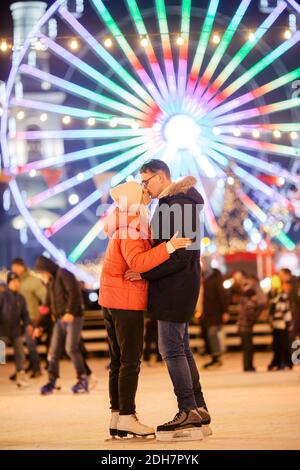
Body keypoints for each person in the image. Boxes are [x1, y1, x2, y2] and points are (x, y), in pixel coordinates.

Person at [125, 160, 211, 442]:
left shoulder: (179, 203)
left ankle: (187, 410)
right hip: (178, 285)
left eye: (146, 181)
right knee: (181, 348)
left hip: (176, 287)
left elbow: (180, 253)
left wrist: (145, 271)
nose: (144, 188)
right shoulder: (177, 203)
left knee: (171, 348)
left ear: (161, 177)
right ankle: (198, 409)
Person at [99, 180, 192, 439]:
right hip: (125, 301)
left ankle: (117, 416)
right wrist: (169, 246)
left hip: (113, 299)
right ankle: (128, 416)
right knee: (130, 361)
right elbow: (138, 261)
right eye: (143, 196)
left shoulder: (121, 224)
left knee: (118, 362)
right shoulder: (130, 228)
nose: (148, 198)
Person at [34, 256, 89, 394]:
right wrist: (39, 326)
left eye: (42, 272)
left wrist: (70, 311)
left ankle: (82, 379)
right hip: (59, 319)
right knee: (53, 352)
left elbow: (74, 292)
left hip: (74, 317)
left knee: (71, 348)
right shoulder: (50, 281)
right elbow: (47, 305)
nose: (42, 275)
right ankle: (52, 380)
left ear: (47, 268)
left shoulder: (63, 273)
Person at [11, 258, 46, 377]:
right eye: (13, 267)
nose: (14, 269)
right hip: (15, 320)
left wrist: (40, 316)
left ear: (22, 266)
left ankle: (36, 369)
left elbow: (45, 297)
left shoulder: (33, 281)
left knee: (30, 345)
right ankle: (22, 369)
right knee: (19, 346)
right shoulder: (14, 281)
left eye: (16, 267)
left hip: (31, 319)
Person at [0, 272, 32, 387]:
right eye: (13, 281)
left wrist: (29, 324)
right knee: (0, 356)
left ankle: (20, 375)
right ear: (8, 283)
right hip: (2, 332)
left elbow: (25, 314)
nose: (16, 284)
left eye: (18, 281)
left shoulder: (21, 298)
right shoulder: (2, 296)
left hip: (16, 332)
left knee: (20, 354)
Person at [198, 259, 228, 369]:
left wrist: (225, 311)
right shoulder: (202, 278)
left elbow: (222, 295)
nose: (202, 265)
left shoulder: (215, 278)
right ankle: (213, 357)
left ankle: (217, 358)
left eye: (204, 263)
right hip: (205, 313)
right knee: (206, 335)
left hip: (215, 312)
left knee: (212, 334)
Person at [238, 275, 267, 372]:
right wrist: (259, 313)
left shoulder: (246, 302)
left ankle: (248, 366)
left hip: (244, 328)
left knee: (247, 348)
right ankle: (248, 366)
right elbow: (251, 316)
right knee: (248, 348)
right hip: (245, 328)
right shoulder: (250, 304)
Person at [268, 280, 294, 370]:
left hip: (281, 324)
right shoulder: (279, 297)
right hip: (279, 324)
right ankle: (279, 362)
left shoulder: (281, 297)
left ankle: (284, 362)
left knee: (282, 344)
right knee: (279, 345)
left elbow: (284, 311)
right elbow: (275, 311)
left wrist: (288, 324)